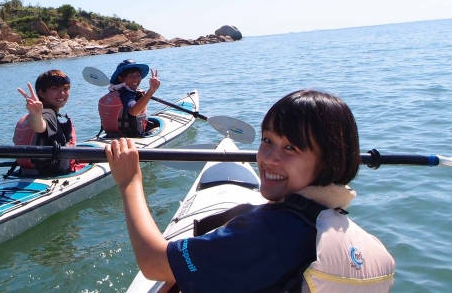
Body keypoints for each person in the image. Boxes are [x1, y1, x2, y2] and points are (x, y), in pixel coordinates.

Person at [105, 89, 395, 293]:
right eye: (267, 140)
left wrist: (130, 181)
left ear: (328, 160)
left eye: (290, 147)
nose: (269, 158)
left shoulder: (270, 233)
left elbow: (153, 263)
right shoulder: (340, 228)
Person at [14, 69, 86, 175]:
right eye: (55, 89)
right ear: (42, 93)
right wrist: (36, 116)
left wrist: (36, 115)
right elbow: (40, 127)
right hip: (53, 174)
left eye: (66, 88)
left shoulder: (26, 118)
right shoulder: (47, 114)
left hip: (27, 173)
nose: (62, 93)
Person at [98, 59, 161, 137]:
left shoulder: (115, 91)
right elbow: (133, 112)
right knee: (157, 128)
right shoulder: (127, 94)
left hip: (111, 135)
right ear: (120, 78)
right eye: (130, 76)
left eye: (138, 75)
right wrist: (151, 91)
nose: (136, 79)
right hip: (130, 136)